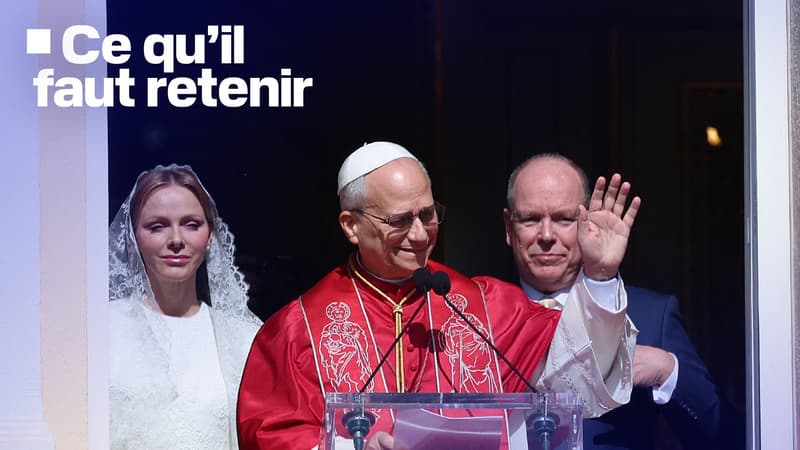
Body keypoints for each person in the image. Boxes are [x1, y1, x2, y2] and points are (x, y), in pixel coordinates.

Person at [237, 142, 638, 450]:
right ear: (351, 226)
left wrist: (600, 274)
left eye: (428, 215)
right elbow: (268, 434)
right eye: (399, 220)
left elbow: (577, 373)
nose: (419, 234)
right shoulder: (298, 328)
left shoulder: (484, 306)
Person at [499, 153, 722, 449]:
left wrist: (668, 370)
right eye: (530, 219)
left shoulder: (652, 316)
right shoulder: (479, 315)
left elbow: (724, 433)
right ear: (508, 228)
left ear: (587, 222)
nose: (547, 235)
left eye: (565, 219)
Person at [108, 164, 262, 449]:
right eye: (158, 226)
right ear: (133, 236)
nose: (176, 240)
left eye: (191, 224)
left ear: (210, 236)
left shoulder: (243, 338)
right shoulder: (103, 328)